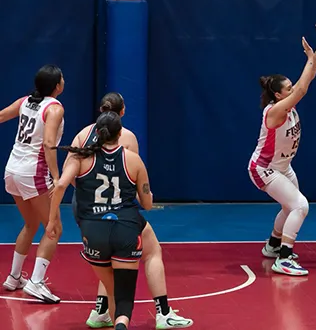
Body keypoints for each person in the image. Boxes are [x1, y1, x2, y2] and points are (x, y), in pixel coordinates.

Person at [67, 93, 193, 328]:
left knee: (106, 257)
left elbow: (70, 173)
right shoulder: (127, 138)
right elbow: (132, 179)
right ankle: (163, 312)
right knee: (152, 250)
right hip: (118, 210)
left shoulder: (83, 133)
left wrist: (89, 194)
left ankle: (101, 310)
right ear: (122, 112)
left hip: (86, 208)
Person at [46, 111, 153, 330]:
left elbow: (59, 186)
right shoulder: (133, 159)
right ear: (120, 133)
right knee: (124, 297)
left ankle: (115, 320)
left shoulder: (81, 157)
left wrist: (52, 220)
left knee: (112, 289)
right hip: (125, 229)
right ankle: (121, 323)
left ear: (96, 132)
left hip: (93, 231)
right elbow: (147, 204)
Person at [249, 23, 316, 276]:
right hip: (264, 168)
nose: (293, 90)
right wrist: (311, 59)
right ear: (279, 95)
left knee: (289, 206)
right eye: (288, 89)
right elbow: (303, 88)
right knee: (300, 206)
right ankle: (284, 259)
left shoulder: (285, 103)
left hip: (282, 167)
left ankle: (272, 246)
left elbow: (307, 80)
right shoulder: (275, 110)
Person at [0, 64, 66, 304]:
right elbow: (49, 143)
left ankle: (14, 277)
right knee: (54, 227)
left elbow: (0, 116)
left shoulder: (25, 101)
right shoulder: (54, 107)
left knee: (30, 223)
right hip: (33, 172)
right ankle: (36, 282)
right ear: (57, 85)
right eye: (62, 78)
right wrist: (57, 176)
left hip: (12, 169)